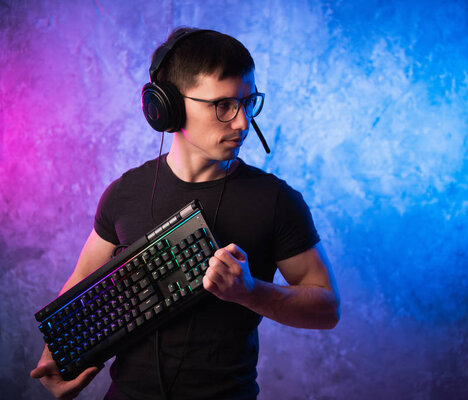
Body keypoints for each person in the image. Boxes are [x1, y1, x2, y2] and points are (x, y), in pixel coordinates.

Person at [30, 28, 340, 399]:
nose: (242, 122)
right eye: (223, 105)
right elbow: (82, 281)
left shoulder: (276, 200)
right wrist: (56, 354)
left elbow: (326, 308)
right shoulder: (124, 193)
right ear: (169, 107)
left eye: (248, 101)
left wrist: (250, 292)